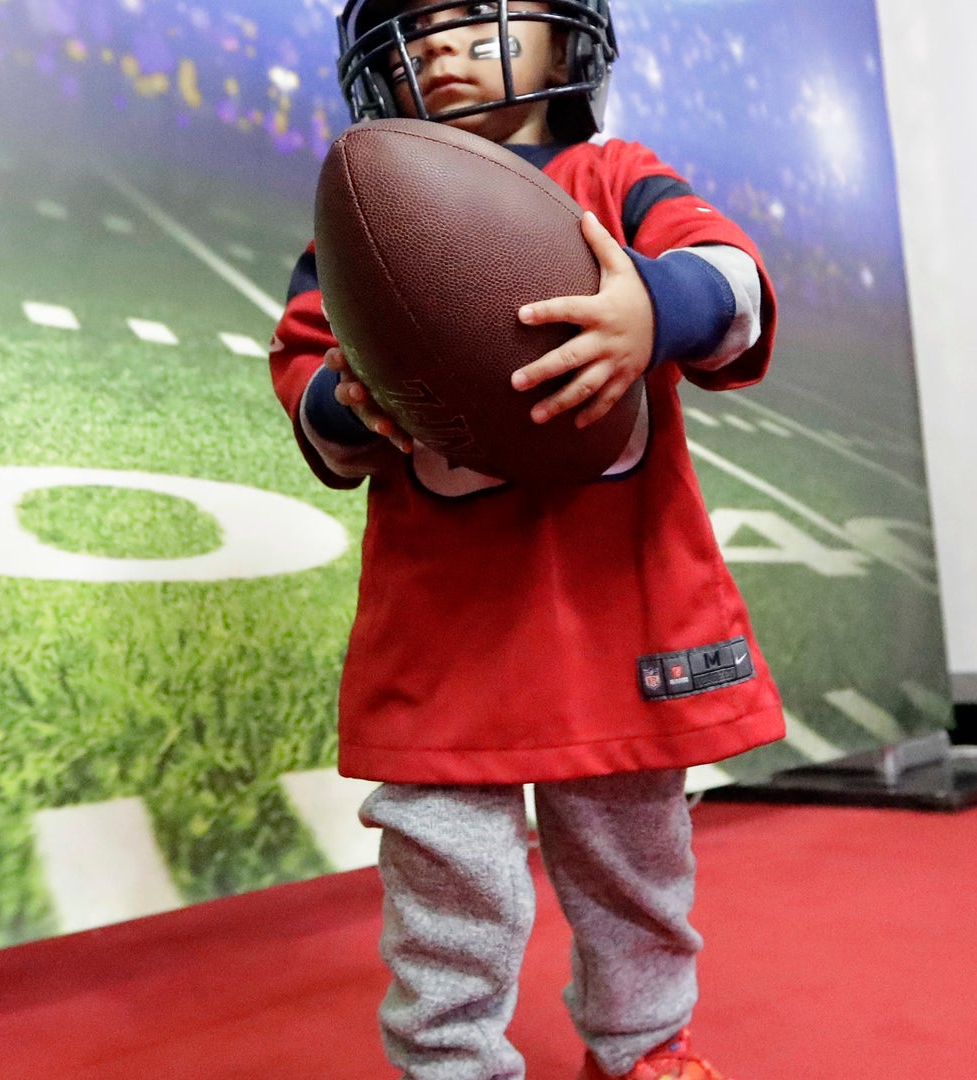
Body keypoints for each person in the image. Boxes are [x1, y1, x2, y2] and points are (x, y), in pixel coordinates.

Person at [266, 2, 782, 1077]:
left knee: (636, 858)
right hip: (448, 627)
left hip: (616, 602)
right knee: (445, 874)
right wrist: (354, 403)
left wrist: (650, 300)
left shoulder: (618, 176)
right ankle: (448, 1058)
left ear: (561, 39)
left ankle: (642, 1044)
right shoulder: (357, 229)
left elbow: (734, 280)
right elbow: (306, 384)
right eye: (417, 28)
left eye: (475, 15)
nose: (445, 44)